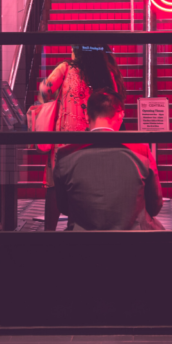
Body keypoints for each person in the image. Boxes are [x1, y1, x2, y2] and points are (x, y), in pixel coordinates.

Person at [38, 45, 126, 231]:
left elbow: (45, 90)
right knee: (89, 183)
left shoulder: (66, 68)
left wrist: (57, 101)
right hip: (94, 137)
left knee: (55, 185)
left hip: (65, 138)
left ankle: (49, 233)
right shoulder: (106, 73)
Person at [53, 90, 164, 231]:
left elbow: (63, 206)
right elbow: (155, 205)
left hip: (82, 245)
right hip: (134, 242)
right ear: (121, 115)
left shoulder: (66, 155)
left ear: (87, 116)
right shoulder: (141, 152)